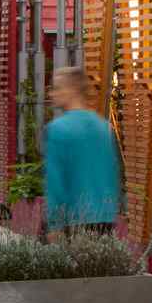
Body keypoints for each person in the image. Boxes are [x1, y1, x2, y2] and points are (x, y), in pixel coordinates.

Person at [43, 66, 122, 238]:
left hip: (73, 219)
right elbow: (113, 175)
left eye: (57, 88)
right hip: (105, 218)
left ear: (72, 90)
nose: (51, 94)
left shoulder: (57, 129)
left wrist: (55, 224)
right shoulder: (104, 128)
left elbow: (56, 182)